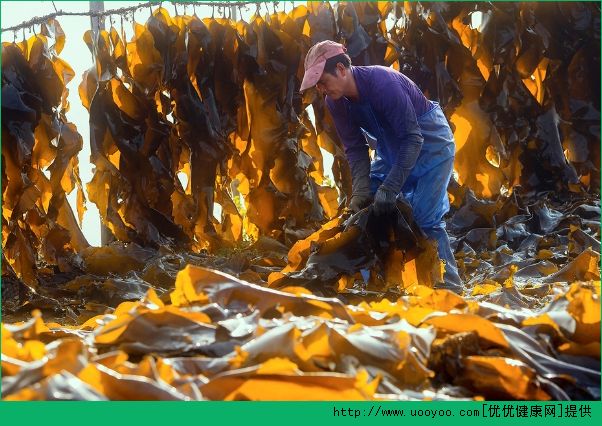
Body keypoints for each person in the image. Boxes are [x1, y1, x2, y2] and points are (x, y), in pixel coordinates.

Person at [300, 40, 463, 292]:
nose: (321, 89)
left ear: (342, 69)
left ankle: (448, 286)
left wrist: (391, 187)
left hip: (431, 143)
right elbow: (355, 149)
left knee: (424, 218)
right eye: (317, 85)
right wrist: (361, 191)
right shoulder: (335, 101)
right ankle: (378, 282)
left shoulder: (383, 83)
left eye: (323, 81)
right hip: (390, 148)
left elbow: (413, 138)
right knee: (361, 213)